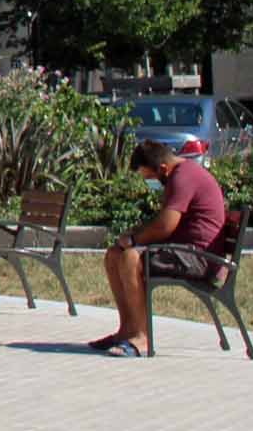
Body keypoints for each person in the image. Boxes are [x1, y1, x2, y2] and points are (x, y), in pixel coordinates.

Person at [90, 139, 229, 356]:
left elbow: (165, 225)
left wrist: (135, 241)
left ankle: (142, 337)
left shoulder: (183, 177)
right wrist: (134, 235)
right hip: (185, 251)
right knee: (113, 255)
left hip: (200, 257)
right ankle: (126, 331)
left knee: (130, 258)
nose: (151, 183)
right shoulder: (179, 174)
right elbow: (163, 224)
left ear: (162, 168)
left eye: (150, 178)